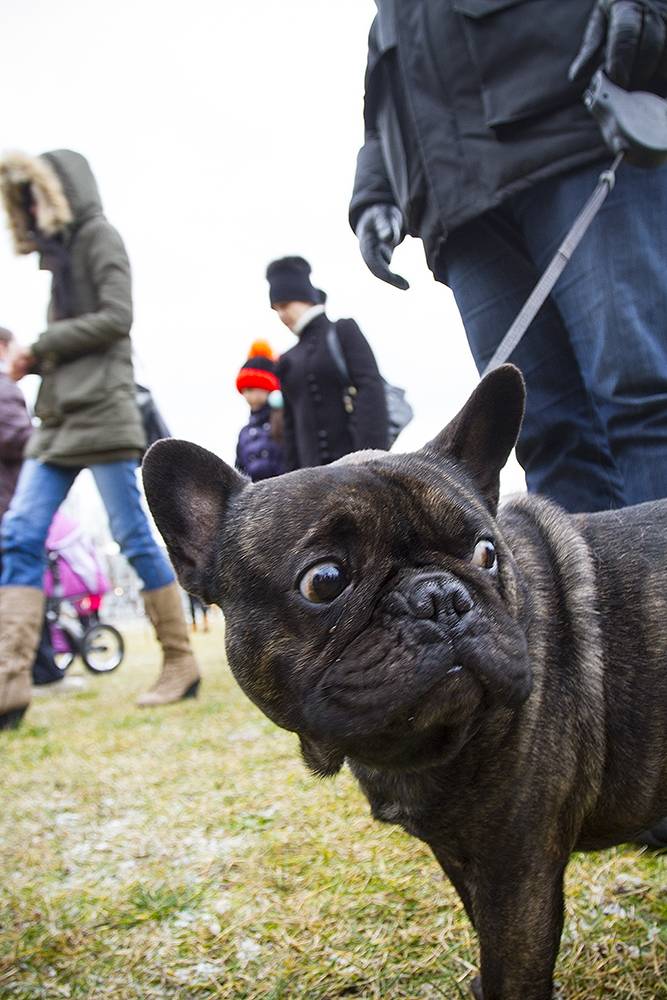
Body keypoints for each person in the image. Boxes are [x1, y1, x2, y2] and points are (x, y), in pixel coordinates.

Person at [350, 0, 667, 515]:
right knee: (545, 434)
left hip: (579, 134)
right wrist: (375, 192)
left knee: (643, 396)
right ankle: (591, 574)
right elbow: (379, 111)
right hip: (458, 207)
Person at [0, 150, 201, 730]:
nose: (30, 210)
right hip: (59, 420)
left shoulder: (99, 238)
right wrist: (38, 362)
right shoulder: (58, 262)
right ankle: (10, 680)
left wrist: (40, 346)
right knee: (19, 532)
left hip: (106, 414)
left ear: (59, 192)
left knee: (132, 534)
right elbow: (76, 340)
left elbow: (117, 318)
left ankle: (180, 661)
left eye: (35, 196)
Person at [0, 326, 77, 694]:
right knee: (25, 578)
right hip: (7, 505)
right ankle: (43, 672)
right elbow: (17, 439)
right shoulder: (3, 388)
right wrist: (53, 437)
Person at [266, 256, 389, 470]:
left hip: (357, 466)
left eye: (284, 305)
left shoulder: (343, 331)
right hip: (310, 478)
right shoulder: (286, 361)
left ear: (304, 297)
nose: (281, 315)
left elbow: (371, 389)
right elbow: (290, 429)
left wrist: (371, 462)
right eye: (276, 309)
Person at [235, 340, 286, 481]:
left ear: (268, 388)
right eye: (244, 391)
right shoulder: (244, 434)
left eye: (250, 389)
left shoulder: (286, 422)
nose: (246, 395)